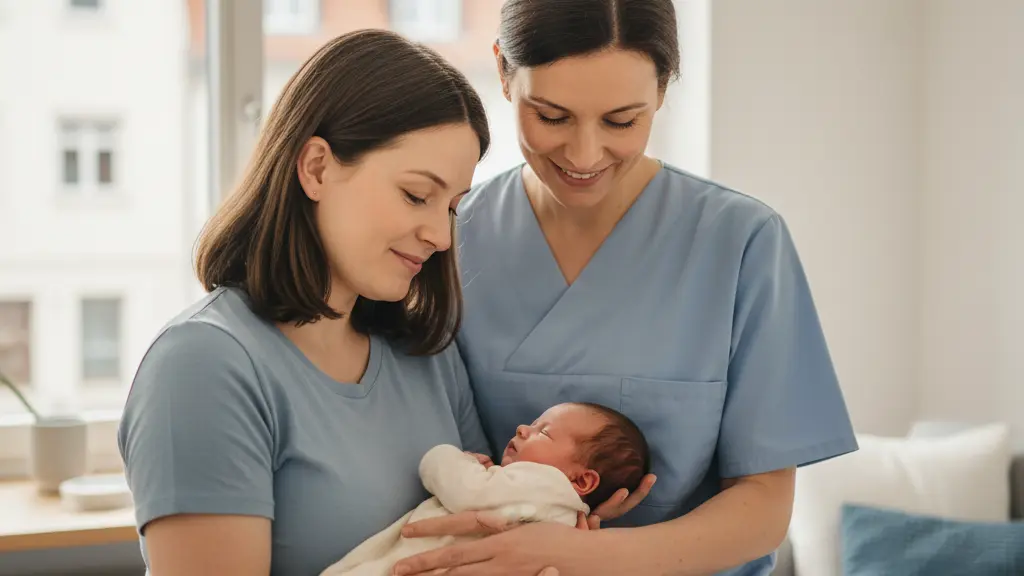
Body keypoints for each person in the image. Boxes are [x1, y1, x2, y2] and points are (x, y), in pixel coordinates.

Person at [388, 1, 860, 575]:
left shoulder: (741, 242)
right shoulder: (446, 237)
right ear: (505, 76)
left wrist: (580, 554)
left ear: (662, 91)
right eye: (552, 116)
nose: (584, 155)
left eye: (621, 121)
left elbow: (762, 507)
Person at [116, 30, 499, 576]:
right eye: (417, 195)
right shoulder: (203, 368)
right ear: (316, 167)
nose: (440, 235)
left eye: (454, 207)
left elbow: (498, 533)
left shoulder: (429, 357)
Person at [322, 402, 649, 575]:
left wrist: (449, 458)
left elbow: (466, 492)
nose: (522, 428)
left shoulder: (545, 486)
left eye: (543, 432)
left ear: (581, 481)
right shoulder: (553, 510)